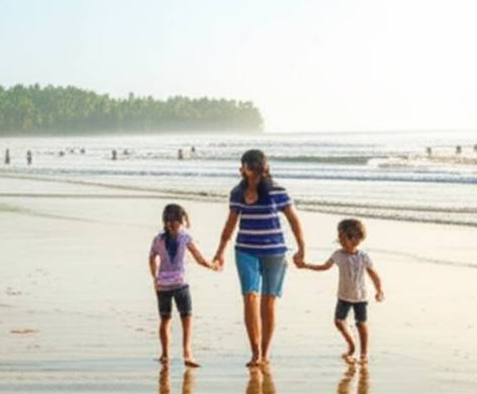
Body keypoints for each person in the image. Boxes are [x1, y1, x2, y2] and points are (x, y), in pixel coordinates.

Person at [212, 149, 307, 368]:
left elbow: (294, 220)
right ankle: (255, 352)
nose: (254, 172)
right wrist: (220, 252)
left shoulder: (277, 191)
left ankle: (265, 352)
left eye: (257, 167)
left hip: (275, 252)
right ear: (242, 169)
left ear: (264, 168)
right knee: (250, 298)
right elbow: (230, 224)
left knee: (269, 302)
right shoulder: (237, 193)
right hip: (245, 251)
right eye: (250, 167)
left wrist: (302, 248)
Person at [298, 218, 384, 364]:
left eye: (344, 237)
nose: (340, 240)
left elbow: (373, 274)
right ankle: (351, 344)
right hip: (343, 296)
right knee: (339, 321)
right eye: (339, 237)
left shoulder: (363, 257)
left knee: (361, 323)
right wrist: (307, 266)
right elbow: (324, 267)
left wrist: (379, 290)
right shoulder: (338, 255)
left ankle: (363, 353)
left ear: (356, 239)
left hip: (360, 297)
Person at [149, 204, 214, 367]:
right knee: (187, 318)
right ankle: (187, 353)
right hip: (180, 284)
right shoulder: (185, 237)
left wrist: (155, 277)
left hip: (162, 285)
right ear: (180, 220)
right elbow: (199, 259)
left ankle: (165, 354)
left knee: (165, 319)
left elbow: (151, 258)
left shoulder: (158, 239)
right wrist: (212, 265)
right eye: (184, 219)